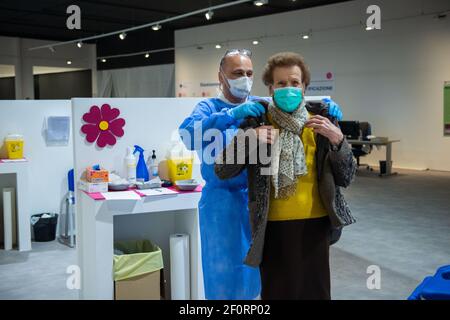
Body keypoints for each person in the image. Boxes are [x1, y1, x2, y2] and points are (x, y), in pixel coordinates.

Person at [215, 52, 356, 300]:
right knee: (277, 292)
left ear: (304, 87)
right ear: (270, 88)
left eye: (294, 82)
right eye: (281, 83)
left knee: (316, 293)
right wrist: (249, 139)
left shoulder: (322, 123)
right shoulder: (257, 120)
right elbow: (223, 169)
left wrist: (338, 140)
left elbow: (346, 176)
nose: (288, 88)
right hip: (271, 228)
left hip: (316, 226)